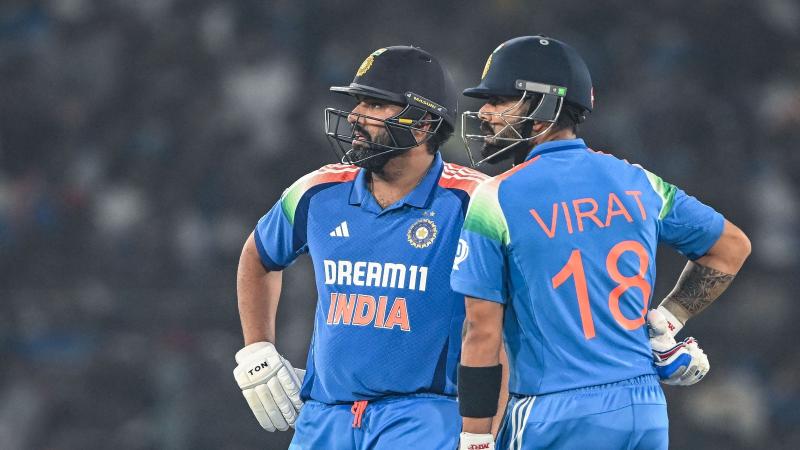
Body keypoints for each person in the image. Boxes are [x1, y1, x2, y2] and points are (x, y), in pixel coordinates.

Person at [451, 36, 751, 450]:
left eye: (499, 100)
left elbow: (481, 332)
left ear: (543, 111)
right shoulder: (638, 181)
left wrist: (475, 438)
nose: (485, 112)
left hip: (553, 411)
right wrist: (667, 321)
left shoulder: (495, 197)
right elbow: (731, 247)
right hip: (643, 409)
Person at [232, 45, 489, 449]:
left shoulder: (474, 201)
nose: (354, 115)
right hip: (323, 418)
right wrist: (256, 349)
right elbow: (258, 256)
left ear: (423, 123)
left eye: (375, 104)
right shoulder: (317, 191)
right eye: (358, 102)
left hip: (424, 419)